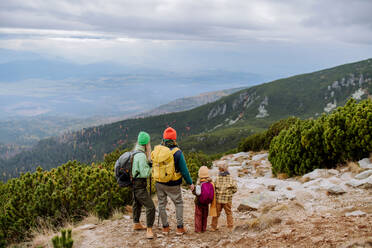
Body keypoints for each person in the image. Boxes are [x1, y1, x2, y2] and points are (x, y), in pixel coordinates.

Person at [153, 127, 195, 235]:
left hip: (159, 182)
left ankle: (165, 228)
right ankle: (180, 228)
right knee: (178, 203)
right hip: (173, 183)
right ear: (174, 139)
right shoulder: (177, 153)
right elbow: (184, 171)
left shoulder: (158, 151)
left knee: (162, 204)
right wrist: (190, 183)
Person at [131, 131, 156, 239]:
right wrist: (151, 166)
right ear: (146, 144)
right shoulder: (141, 156)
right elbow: (145, 173)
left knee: (137, 203)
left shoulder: (134, 152)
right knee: (150, 207)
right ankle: (149, 230)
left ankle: (136, 223)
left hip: (134, 184)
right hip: (140, 184)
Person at [211, 162, 237, 232]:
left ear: (219, 170)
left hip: (218, 199)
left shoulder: (217, 178)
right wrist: (230, 193)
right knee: (228, 213)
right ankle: (230, 227)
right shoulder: (231, 178)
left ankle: (213, 227)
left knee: (216, 213)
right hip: (227, 199)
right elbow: (235, 189)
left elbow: (213, 188)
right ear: (227, 169)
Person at [192, 166, 216, 233]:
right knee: (204, 216)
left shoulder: (199, 183)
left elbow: (197, 193)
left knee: (198, 215)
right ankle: (203, 229)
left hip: (199, 202)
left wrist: (193, 190)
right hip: (206, 203)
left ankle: (198, 229)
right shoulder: (211, 183)